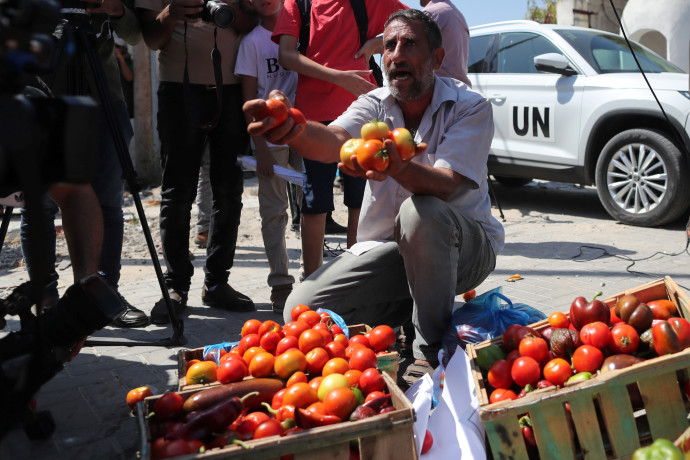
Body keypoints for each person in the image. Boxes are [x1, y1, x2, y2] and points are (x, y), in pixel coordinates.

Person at [245, 9, 504, 384]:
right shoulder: (375, 104)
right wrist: (293, 130)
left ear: (437, 58)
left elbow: (446, 184)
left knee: (421, 211)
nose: (396, 54)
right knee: (300, 310)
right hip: (392, 252)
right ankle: (399, 322)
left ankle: (430, 353)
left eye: (410, 44)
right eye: (389, 45)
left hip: (465, 251)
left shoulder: (469, 107)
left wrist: (395, 166)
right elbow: (333, 140)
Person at [19, 0, 149, 328]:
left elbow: (135, 34)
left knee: (108, 199)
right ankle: (46, 299)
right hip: (42, 92)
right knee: (39, 205)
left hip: (103, 96)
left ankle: (102, 297)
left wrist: (116, 10)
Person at [135, 0, 258, 324]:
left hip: (231, 91)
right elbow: (151, 40)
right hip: (178, 90)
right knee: (177, 193)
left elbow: (250, 24)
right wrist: (171, 13)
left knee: (229, 193)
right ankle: (176, 287)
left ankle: (217, 282)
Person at [272, 0, 407, 280]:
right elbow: (286, 55)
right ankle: (312, 282)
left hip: (363, 114)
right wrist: (338, 77)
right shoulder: (297, 3)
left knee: (360, 199)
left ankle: (354, 279)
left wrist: (377, 41)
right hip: (315, 117)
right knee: (315, 200)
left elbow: (419, 20)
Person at [235, 0, 301, 314]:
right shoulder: (252, 43)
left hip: (307, 129)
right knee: (274, 212)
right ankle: (281, 287)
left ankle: (315, 281)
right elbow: (250, 99)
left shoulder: (301, 32)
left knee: (314, 208)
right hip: (271, 137)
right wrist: (259, 146)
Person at [420, 0, 471, 86]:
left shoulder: (432, 13)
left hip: (439, 90)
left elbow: (413, 55)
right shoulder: (457, 15)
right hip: (458, 90)